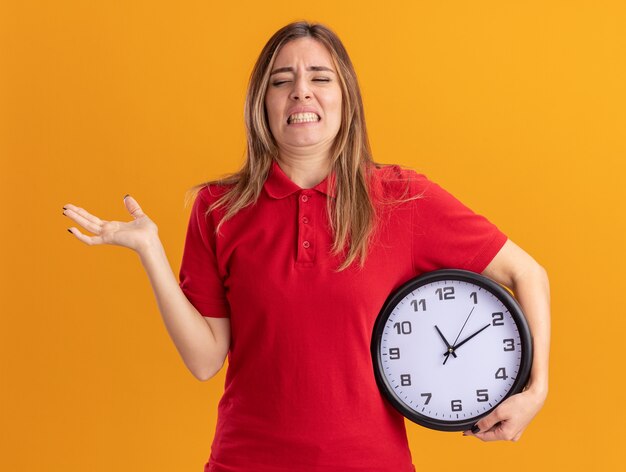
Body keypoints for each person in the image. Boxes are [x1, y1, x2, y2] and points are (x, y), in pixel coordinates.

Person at [63, 21, 550, 472]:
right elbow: (205, 360)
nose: (301, 90)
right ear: (263, 103)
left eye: (320, 77)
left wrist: (535, 389)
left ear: (346, 99)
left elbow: (527, 273)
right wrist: (150, 251)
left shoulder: (402, 198)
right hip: (244, 461)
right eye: (281, 80)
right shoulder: (218, 209)